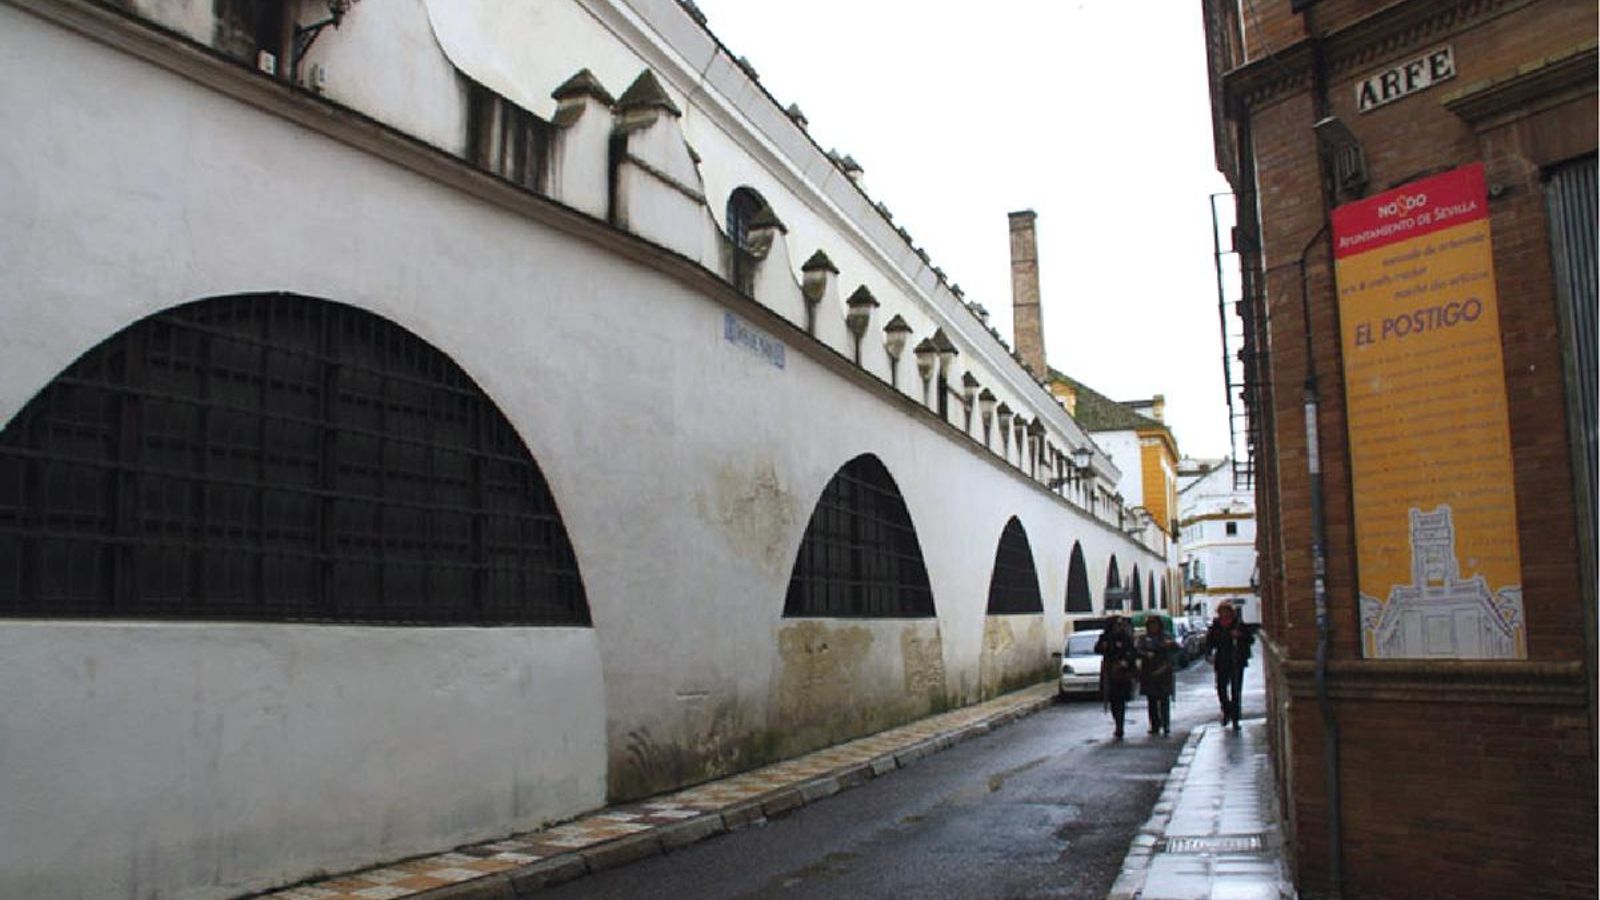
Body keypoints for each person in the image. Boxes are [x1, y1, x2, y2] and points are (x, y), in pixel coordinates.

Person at [1206, 601, 1254, 731]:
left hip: (1236, 661)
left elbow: (1251, 639)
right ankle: (1227, 710)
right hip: (1221, 661)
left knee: (1236, 689)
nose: (1224, 614)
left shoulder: (1239, 624)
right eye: (1222, 611)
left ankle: (1236, 718)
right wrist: (1209, 654)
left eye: (1226, 611)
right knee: (1221, 689)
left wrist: (1240, 635)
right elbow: (1209, 642)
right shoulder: (1216, 626)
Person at [1094, 616, 1138, 741]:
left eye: (1120, 625)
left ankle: (1120, 726)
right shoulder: (1105, 637)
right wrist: (1104, 646)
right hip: (1110, 672)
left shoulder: (1126, 637)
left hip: (1123, 673)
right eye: (1116, 625)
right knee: (1113, 700)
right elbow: (1097, 649)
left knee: (1121, 700)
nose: (1119, 627)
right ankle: (1117, 722)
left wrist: (1126, 661)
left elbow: (1132, 652)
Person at [1137, 616, 1178, 736]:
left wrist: (1171, 644)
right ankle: (1154, 725)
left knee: (1164, 700)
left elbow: (1177, 648)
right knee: (1152, 701)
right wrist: (1146, 654)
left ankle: (1166, 724)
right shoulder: (1144, 638)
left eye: (1155, 624)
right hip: (1149, 672)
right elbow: (1137, 650)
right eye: (1151, 625)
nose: (1153, 627)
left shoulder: (1166, 636)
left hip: (1164, 671)